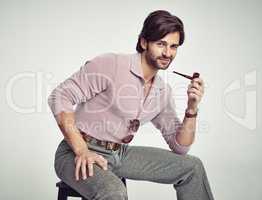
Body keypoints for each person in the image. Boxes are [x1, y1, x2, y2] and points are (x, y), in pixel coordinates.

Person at [48, 10, 215, 200]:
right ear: (144, 42)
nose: (168, 53)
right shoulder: (111, 64)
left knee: (192, 167)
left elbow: (180, 147)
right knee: (113, 191)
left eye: (173, 46)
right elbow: (60, 96)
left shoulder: (162, 91)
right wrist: (82, 150)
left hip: (119, 154)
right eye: (161, 44)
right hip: (74, 151)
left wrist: (192, 109)